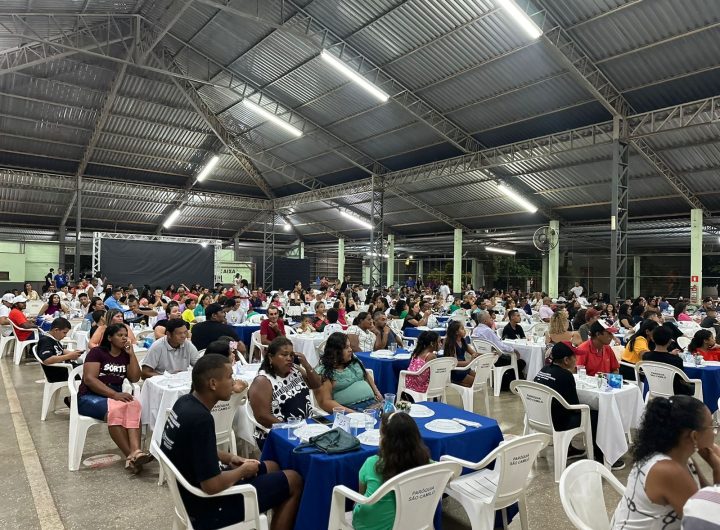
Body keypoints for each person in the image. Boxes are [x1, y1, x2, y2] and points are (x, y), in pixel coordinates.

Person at [161, 354, 302, 530]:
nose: (233, 382)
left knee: (273, 465)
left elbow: (194, 448)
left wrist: (230, 458)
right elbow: (211, 486)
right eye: (229, 377)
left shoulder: (184, 402)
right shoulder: (201, 420)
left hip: (191, 489)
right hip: (208, 507)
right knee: (294, 480)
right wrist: (242, 470)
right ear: (213, 384)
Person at [611, 396, 720, 529]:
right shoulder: (668, 471)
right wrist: (717, 468)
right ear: (694, 436)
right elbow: (707, 521)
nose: (715, 432)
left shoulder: (680, 457)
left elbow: (708, 498)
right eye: (712, 426)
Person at [78, 323, 151, 473]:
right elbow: (90, 379)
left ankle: (136, 451)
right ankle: (131, 456)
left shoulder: (125, 355)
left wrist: (131, 355)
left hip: (114, 396)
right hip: (90, 396)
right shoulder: (97, 352)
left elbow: (135, 378)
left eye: (125, 335)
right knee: (116, 410)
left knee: (134, 405)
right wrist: (114, 395)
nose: (124, 338)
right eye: (120, 335)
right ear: (110, 338)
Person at [352, 412, 432, 530]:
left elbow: (361, 496)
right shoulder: (427, 464)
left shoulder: (371, 464)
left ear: (386, 440)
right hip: (412, 523)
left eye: (380, 435)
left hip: (370, 526)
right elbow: (451, 472)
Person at [534, 342, 608, 463]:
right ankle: (600, 455)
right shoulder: (566, 375)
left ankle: (569, 449)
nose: (576, 360)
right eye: (575, 356)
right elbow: (575, 407)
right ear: (566, 360)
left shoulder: (543, 370)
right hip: (558, 423)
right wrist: (588, 406)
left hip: (538, 417)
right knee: (596, 415)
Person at [248, 337, 322, 447]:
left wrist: (306, 365)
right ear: (270, 357)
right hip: (279, 434)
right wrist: (291, 428)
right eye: (284, 355)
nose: (289, 358)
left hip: (306, 429)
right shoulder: (263, 381)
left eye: (291, 355)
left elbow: (316, 384)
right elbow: (262, 417)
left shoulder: (295, 369)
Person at [315, 332, 383, 413]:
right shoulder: (325, 372)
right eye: (346, 347)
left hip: (374, 403)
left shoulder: (353, 361)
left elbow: (366, 375)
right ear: (335, 352)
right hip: (352, 409)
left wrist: (377, 392)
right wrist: (352, 413)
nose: (350, 350)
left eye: (350, 346)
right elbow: (326, 402)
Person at [470, 310, 526, 388]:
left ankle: (507, 382)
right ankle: (506, 384)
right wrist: (514, 350)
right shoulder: (488, 331)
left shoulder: (475, 330)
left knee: (515, 362)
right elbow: (500, 346)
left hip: (483, 357)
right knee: (521, 362)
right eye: (490, 318)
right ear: (485, 321)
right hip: (495, 359)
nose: (492, 319)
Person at [641, 325, 693, 396]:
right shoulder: (676, 360)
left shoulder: (646, 356)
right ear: (670, 341)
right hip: (675, 393)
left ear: (652, 339)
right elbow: (682, 379)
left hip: (653, 389)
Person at [36, 317, 83, 384]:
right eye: (64, 333)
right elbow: (47, 360)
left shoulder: (54, 339)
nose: (65, 335)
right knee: (89, 373)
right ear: (56, 330)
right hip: (58, 373)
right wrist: (69, 356)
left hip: (66, 368)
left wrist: (73, 353)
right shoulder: (45, 341)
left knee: (89, 367)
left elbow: (61, 350)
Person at [402, 331, 440, 398]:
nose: (441, 344)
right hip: (420, 386)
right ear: (432, 343)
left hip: (409, 384)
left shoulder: (417, 352)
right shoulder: (431, 356)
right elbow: (435, 373)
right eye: (439, 342)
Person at [444, 321, 482, 387]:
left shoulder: (462, 341)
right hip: (455, 370)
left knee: (480, 379)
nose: (464, 331)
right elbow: (454, 363)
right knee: (475, 382)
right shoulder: (451, 343)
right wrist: (470, 362)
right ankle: (455, 382)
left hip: (464, 368)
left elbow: (474, 353)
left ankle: (460, 384)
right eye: (462, 329)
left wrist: (487, 354)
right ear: (456, 332)